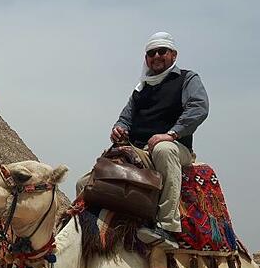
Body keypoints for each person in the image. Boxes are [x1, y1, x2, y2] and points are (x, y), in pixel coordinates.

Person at [84, 31, 209, 247]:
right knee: (84, 183)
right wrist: (119, 129)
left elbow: (199, 107)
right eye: (152, 53)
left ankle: (167, 226)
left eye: (163, 51)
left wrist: (170, 134)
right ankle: (92, 232)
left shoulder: (187, 79)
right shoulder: (141, 89)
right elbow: (125, 117)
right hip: (138, 148)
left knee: (163, 149)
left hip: (176, 147)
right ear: (146, 58)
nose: (157, 56)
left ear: (174, 55)